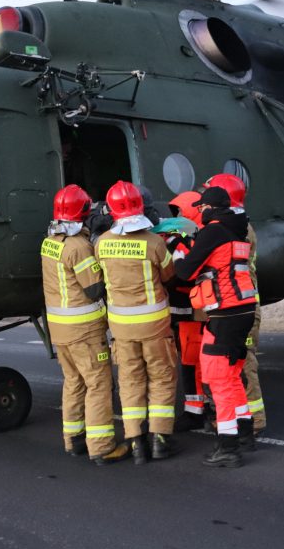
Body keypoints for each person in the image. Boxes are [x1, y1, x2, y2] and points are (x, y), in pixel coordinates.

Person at [41, 185, 130, 465]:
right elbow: (94, 289)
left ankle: (74, 439)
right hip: (84, 330)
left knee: (73, 382)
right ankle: (102, 447)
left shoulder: (49, 241)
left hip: (60, 329)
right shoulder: (78, 247)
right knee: (98, 384)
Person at [95, 181, 178, 463]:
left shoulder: (102, 243)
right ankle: (160, 440)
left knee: (130, 382)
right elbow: (169, 275)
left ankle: (135, 443)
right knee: (162, 379)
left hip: (121, 328)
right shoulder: (154, 243)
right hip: (155, 326)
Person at [176, 187, 257, 468]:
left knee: (218, 380)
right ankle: (245, 432)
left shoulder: (213, 231)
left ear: (210, 208)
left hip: (225, 313)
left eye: (202, 207)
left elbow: (186, 272)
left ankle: (228, 447)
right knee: (233, 374)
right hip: (243, 309)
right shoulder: (237, 229)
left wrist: (179, 253)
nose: (200, 211)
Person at [205, 173, 266, 440]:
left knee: (243, 366)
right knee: (235, 366)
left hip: (240, 306)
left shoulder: (235, 229)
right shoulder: (240, 225)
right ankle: (243, 420)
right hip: (244, 304)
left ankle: (253, 422)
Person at [158, 191, 208, 431]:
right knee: (193, 361)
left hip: (191, 311)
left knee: (191, 361)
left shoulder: (187, 242)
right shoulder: (197, 237)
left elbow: (183, 273)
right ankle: (200, 408)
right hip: (189, 310)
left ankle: (196, 411)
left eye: (179, 211)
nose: (176, 215)